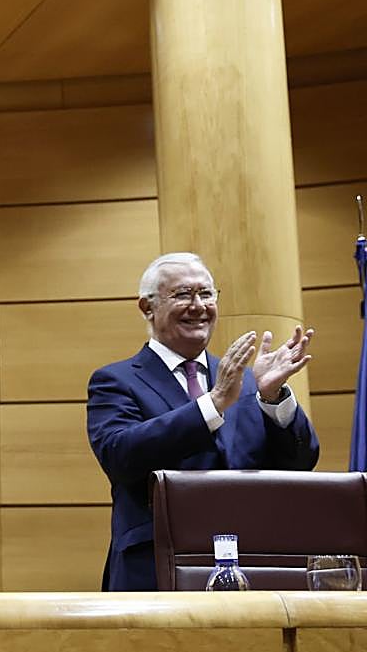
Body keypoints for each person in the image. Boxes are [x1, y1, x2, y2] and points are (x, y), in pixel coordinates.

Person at [87, 252, 320, 591]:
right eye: (183, 294)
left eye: (206, 294)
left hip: (251, 568)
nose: (198, 306)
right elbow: (120, 456)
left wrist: (273, 398)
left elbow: (300, 464)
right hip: (155, 571)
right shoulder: (116, 380)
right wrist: (212, 404)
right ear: (147, 307)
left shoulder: (247, 382)